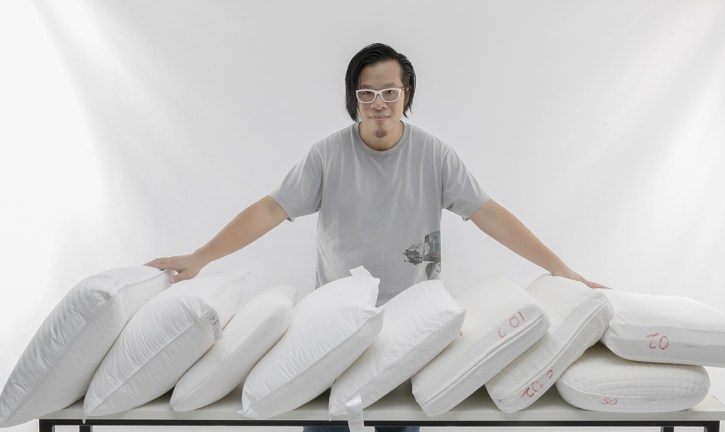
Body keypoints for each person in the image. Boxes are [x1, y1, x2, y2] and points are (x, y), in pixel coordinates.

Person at [146, 43, 602, 432]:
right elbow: (270, 209)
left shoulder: (435, 155)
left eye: (389, 92)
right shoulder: (327, 155)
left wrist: (559, 269)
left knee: (399, 418)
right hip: (338, 326)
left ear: (407, 94)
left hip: (413, 330)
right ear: (354, 99)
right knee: (325, 419)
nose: (379, 103)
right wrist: (201, 256)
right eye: (367, 94)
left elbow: (489, 214)